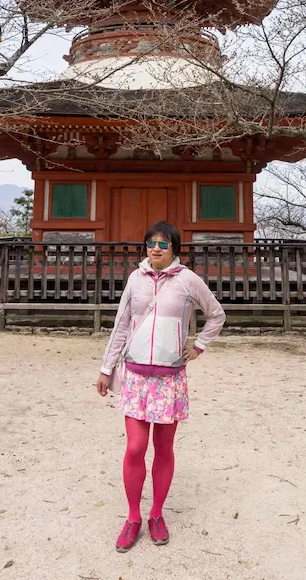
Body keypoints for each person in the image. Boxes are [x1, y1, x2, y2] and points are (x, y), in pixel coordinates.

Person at [96, 221, 226, 553]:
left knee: (164, 449)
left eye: (163, 244)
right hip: (136, 376)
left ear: (175, 249)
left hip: (169, 378)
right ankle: (133, 516)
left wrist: (198, 347)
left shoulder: (188, 280)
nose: (156, 248)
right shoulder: (135, 280)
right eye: (151, 243)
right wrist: (106, 368)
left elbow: (216, 314)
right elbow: (121, 323)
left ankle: (156, 514)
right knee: (136, 447)